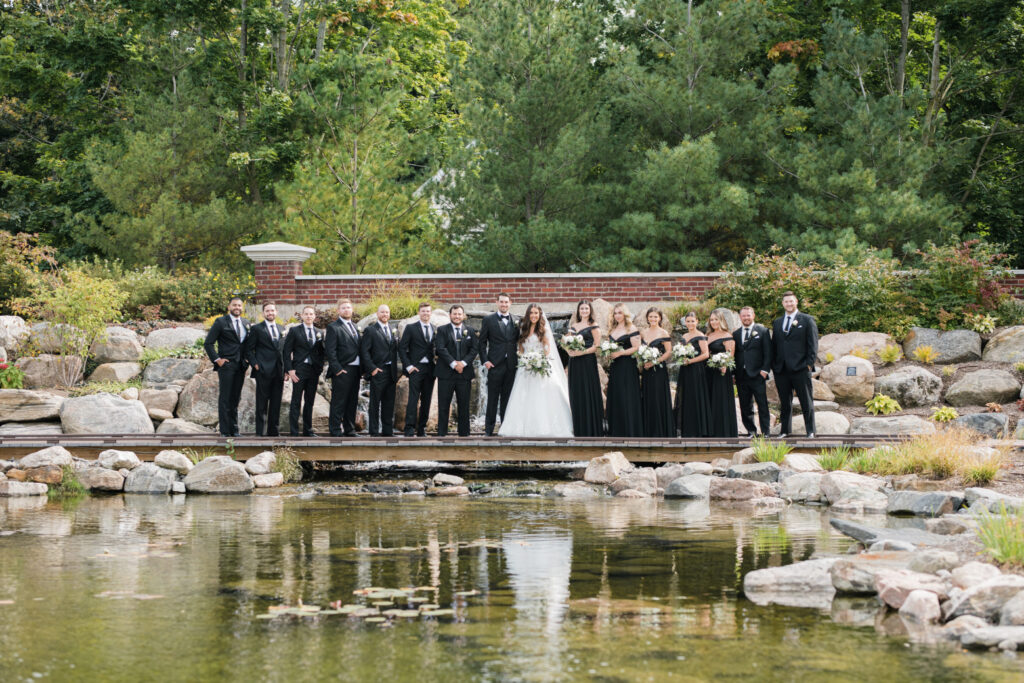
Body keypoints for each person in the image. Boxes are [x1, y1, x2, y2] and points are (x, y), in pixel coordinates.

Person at [498, 303, 573, 438]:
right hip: (525, 368)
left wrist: (538, 361)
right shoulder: (523, 328)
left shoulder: (543, 330)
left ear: (540, 315)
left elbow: (547, 350)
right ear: (528, 314)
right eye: (531, 313)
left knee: (541, 398)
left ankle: (545, 428)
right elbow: (521, 348)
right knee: (523, 398)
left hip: (540, 367)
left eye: (536, 313)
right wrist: (524, 359)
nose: (533, 315)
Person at [772, 291, 818, 437]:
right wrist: (775, 365)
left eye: (791, 301)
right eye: (786, 302)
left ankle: (810, 431)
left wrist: (808, 365)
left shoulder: (807, 320)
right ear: (782, 303)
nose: (789, 304)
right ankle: (785, 430)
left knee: (806, 401)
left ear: (796, 301)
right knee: (785, 403)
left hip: (800, 368)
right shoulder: (778, 322)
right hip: (782, 369)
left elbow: (813, 345)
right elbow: (775, 345)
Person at [203, 297, 251, 437]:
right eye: (234, 305)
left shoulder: (246, 323)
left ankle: (234, 430)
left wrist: (248, 360)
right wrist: (217, 360)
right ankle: (224, 431)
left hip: (241, 365)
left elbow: (247, 344)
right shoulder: (221, 322)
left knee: (236, 398)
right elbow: (208, 343)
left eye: (239, 305)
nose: (237, 307)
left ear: (242, 308)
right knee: (225, 398)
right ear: (229, 307)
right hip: (226, 365)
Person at [478, 292, 519, 436]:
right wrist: (485, 361)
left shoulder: (516, 320)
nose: (504, 304)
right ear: (497, 303)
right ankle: (488, 430)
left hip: (512, 366)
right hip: (494, 365)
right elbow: (482, 342)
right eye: (501, 302)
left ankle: (505, 428)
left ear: (510, 303)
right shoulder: (489, 320)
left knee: (508, 399)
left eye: (506, 302)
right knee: (493, 398)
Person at [435, 305, 478, 437]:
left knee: (464, 406)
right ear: (450, 315)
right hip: (446, 374)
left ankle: (464, 434)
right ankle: (442, 434)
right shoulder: (442, 330)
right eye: (454, 314)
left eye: (459, 314)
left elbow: (474, 349)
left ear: (463, 315)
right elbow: (441, 349)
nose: (457, 316)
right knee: (443, 406)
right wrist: (454, 364)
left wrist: (463, 363)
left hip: (464, 374)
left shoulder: (470, 331)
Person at [245, 301, 286, 437]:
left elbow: (284, 351)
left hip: (278, 371)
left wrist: (286, 369)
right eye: (267, 311)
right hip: (263, 370)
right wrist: (255, 364)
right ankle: (261, 433)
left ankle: (274, 431)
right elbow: (248, 349)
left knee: (276, 403)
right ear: (263, 313)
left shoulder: (282, 329)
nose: (270, 313)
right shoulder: (257, 329)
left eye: (272, 310)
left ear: (276, 312)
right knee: (261, 403)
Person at [283, 305, 325, 437]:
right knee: (296, 401)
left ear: (314, 317)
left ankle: (308, 430)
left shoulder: (319, 332)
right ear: (302, 316)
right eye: (306, 314)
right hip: (298, 370)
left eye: (311, 314)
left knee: (310, 401)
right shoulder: (295, 331)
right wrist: (290, 370)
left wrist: (320, 367)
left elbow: (322, 352)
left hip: (313, 371)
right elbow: (286, 351)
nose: (308, 316)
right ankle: (294, 431)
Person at [564, 300, 604, 437]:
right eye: (582, 308)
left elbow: (597, 346)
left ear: (590, 310)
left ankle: (591, 428)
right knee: (577, 392)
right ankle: (579, 427)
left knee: (588, 391)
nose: (584, 311)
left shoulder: (594, 325)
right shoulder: (574, 325)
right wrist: (568, 350)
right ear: (578, 310)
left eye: (587, 308)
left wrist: (582, 352)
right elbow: (566, 342)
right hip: (575, 362)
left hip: (587, 361)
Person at [324, 299, 362, 437]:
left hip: (356, 370)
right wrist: (338, 369)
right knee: (338, 402)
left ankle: (350, 429)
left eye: (348, 307)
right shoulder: (334, 327)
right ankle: (335, 430)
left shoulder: (355, 326)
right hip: (342, 370)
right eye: (343, 308)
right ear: (338, 311)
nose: (346, 310)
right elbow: (330, 351)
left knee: (352, 401)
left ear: (352, 310)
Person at [605, 303, 644, 437]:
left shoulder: (631, 328)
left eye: (620, 313)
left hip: (627, 366)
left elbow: (637, 347)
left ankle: (630, 431)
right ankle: (617, 431)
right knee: (617, 396)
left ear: (625, 314)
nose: (617, 315)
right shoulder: (612, 329)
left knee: (627, 396)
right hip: (615, 367)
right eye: (615, 313)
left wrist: (620, 353)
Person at [733, 306, 772, 438]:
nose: (746, 318)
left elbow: (768, 352)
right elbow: (735, 354)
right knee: (745, 405)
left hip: (757, 374)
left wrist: (765, 370)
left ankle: (766, 432)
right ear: (740, 317)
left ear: (753, 315)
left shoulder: (763, 331)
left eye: (748, 315)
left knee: (762, 404)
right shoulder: (736, 334)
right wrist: (734, 373)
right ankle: (751, 431)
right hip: (741, 375)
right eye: (743, 316)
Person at [360, 304, 399, 437]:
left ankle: (388, 431)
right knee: (375, 403)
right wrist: (372, 369)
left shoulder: (393, 329)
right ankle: (374, 431)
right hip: (378, 371)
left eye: (387, 312)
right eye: (382, 312)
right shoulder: (371, 330)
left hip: (392, 372)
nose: (385, 315)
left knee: (389, 403)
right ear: (377, 314)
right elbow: (364, 351)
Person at [398, 302, 436, 437]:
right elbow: (402, 348)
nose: (426, 313)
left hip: (430, 369)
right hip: (416, 368)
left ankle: (422, 429)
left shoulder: (434, 328)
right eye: (423, 311)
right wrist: (408, 366)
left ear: (431, 313)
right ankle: (409, 428)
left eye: (428, 311)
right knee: (413, 399)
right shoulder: (411, 328)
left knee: (427, 400)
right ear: (419, 313)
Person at [639, 307, 675, 438]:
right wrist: (643, 361)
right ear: (647, 318)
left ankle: (661, 431)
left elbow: (668, 352)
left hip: (658, 370)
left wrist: (655, 362)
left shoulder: (664, 333)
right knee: (648, 397)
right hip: (647, 371)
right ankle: (649, 430)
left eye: (655, 317)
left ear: (660, 318)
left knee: (658, 397)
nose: (653, 319)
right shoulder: (643, 333)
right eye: (650, 317)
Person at [675, 312, 711, 438]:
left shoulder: (700, 335)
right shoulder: (684, 335)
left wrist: (690, 361)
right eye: (688, 321)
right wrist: (680, 356)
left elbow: (706, 354)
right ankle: (686, 429)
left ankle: (697, 429)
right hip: (685, 370)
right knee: (686, 397)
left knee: (696, 397)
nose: (690, 323)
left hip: (696, 370)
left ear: (697, 321)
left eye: (692, 321)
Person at [706, 311, 738, 438]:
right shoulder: (707, 335)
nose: (713, 322)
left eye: (716, 319)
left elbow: (730, 355)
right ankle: (711, 430)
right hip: (709, 371)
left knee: (721, 399)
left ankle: (724, 430)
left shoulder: (727, 335)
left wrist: (724, 366)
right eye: (711, 320)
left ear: (721, 320)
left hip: (722, 371)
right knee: (710, 399)